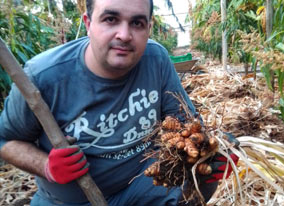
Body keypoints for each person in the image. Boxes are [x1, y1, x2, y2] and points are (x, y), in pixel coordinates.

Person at [0, 0, 238, 205]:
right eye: (111, 19)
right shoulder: (44, 76)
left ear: (149, 27)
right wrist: (46, 167)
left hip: (143, 186)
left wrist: (212, 152)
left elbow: (187, 125)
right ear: (88, 23)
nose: (124, 35)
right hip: (71, 200)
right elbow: (5, 140)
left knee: (204, 176)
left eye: (137, 23)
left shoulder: (155, 59)